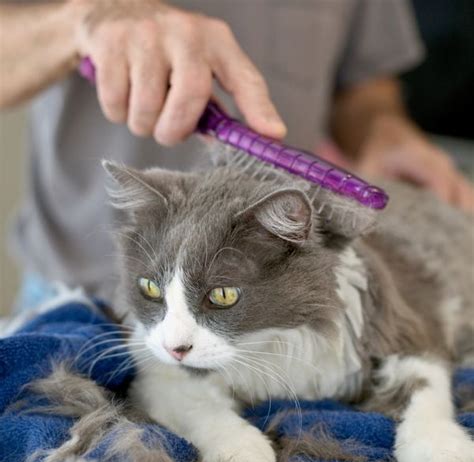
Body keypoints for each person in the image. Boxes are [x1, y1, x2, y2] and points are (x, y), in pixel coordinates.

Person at [0, 0, 473, 307]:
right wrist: (80, 22)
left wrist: (384, 129)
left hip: (265, 315)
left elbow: (364, 87)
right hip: (74, 302)